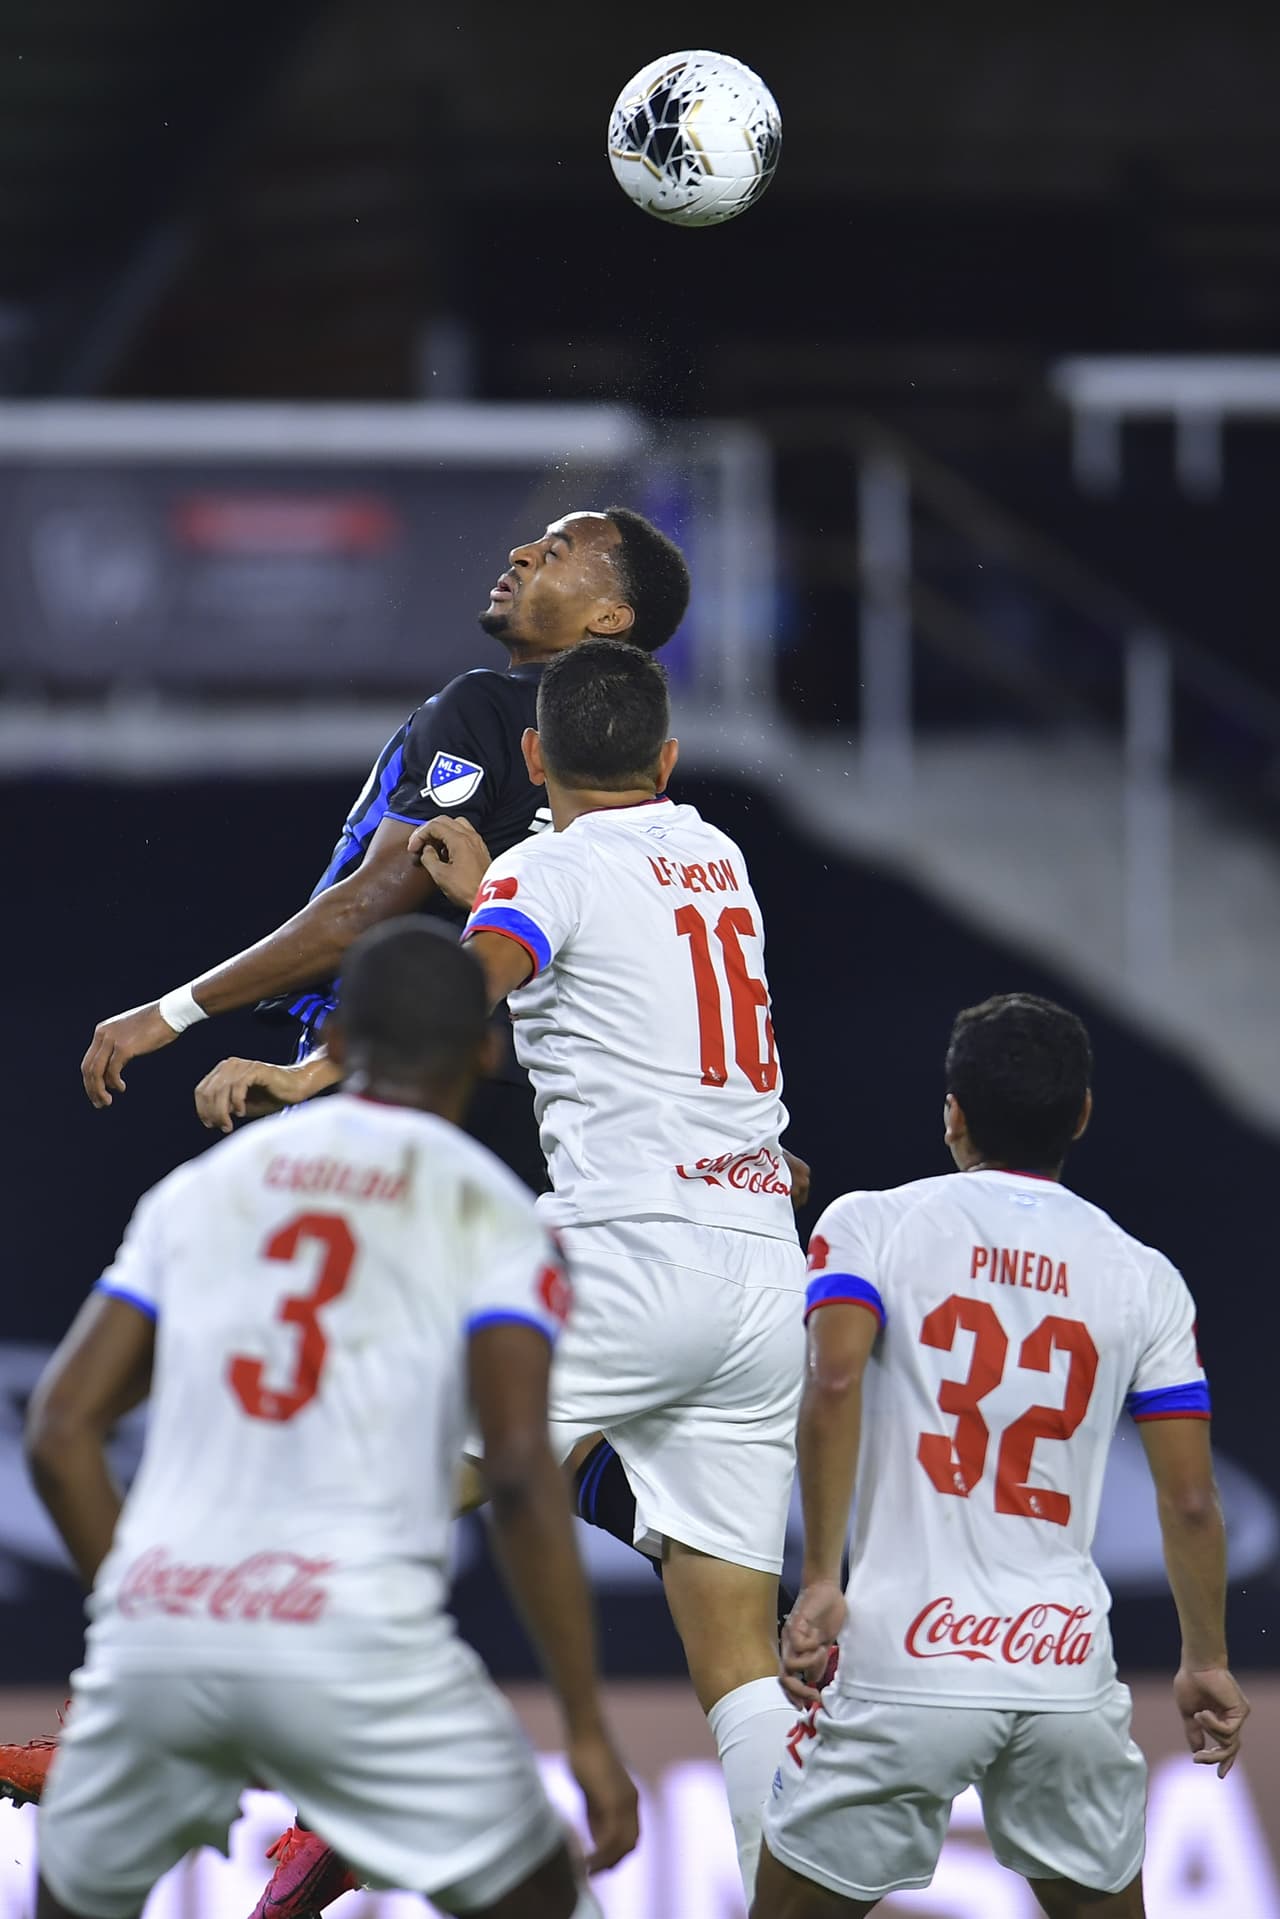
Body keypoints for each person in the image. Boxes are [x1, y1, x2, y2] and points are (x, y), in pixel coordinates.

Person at [266, 638, 807, 1903]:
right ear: (667, 761)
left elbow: (470, 989)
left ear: (527, 758)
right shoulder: (718, 858)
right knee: (736, 1654)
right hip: (757, 1273)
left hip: (623, 1248)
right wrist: (505, 882)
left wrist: (301, 1071)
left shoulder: (549, 870)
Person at [26, 918, 638, 1919]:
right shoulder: (488, 1210)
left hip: (161, 1635)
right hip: (357, 1640)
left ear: (338, 1044)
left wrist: (136, 1605)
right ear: (485, 1051)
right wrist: (583, 1726)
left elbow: (60, 1426)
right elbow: (523, 1473)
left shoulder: (201, 1191)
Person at [753, 992, 1249, 1919]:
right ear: (1084, 1115)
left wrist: (822, 1575)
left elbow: (833, 1382)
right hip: (1060, 1664)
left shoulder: (872, 1224)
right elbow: (1190, 1502)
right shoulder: (1144, 1274)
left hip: (903, 1657)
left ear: (953, 1111)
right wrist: (1206, 1657)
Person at [78, 506, 691, 1195]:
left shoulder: (483, 706)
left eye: (554, 554)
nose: (520, 553)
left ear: (609, 618)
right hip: (556, 1099)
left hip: (404, 1067)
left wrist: (173, 1010)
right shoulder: (650, 791)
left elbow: (369, 906)